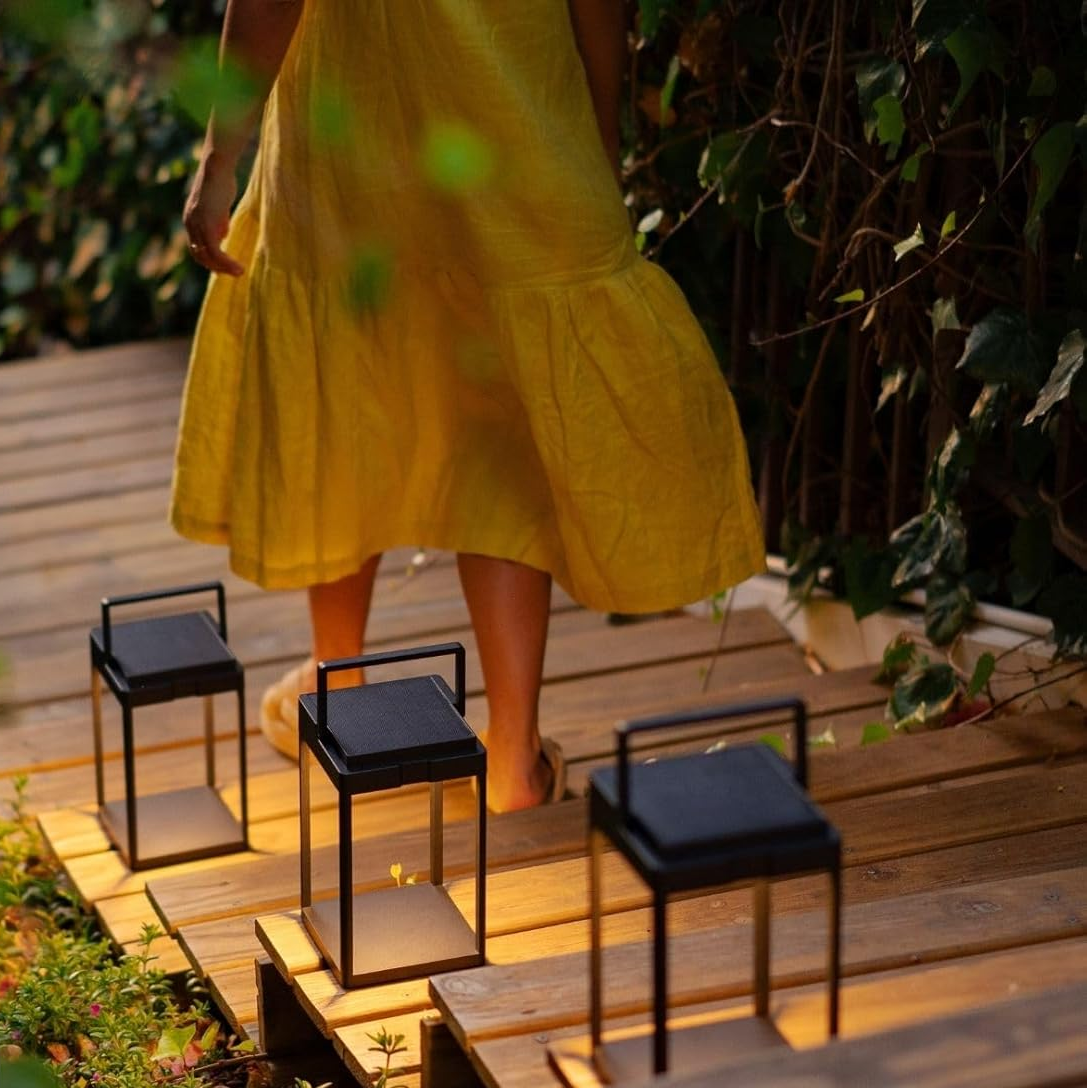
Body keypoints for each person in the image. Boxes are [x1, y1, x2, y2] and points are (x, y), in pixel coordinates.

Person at [175, 0, 766, 812]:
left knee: (350, 387)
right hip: (513, 122)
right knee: (505, 430)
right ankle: (516, 760)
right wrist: (596, 131)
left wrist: (220, 156)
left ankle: (340, 700)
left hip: (352, 131)